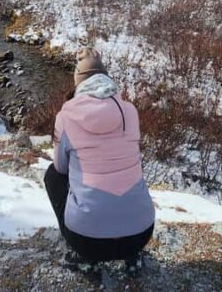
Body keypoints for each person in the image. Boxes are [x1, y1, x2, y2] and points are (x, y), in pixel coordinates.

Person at [44, 48, 155, 278]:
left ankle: (84, 258)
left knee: (52, 176)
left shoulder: (66, 116)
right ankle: (131, 256)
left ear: (78, 84)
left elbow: (60, 168)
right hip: (140, 235)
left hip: (87, 241)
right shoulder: (129, 112)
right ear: (106, 78)